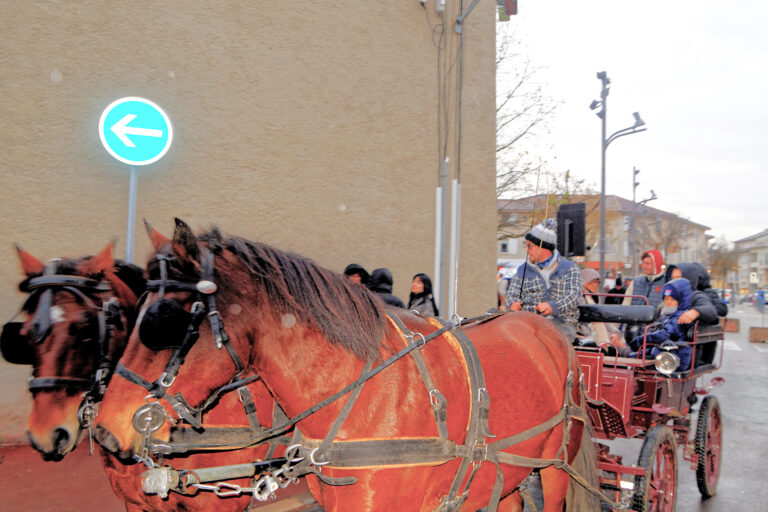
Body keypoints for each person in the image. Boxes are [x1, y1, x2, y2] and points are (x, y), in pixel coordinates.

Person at [505, 218, 582, 340]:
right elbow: (512, 295)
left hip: (562, 323)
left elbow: (574, 296)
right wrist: (512, 304)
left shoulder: (569, 268)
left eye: (529, 246)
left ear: (542, 247)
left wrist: (553, 306)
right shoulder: (522, 270)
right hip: (527, 322)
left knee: (546, 338)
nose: (526, 250)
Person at [629, 278, 695, 372]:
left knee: (635, 359)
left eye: (672, 299)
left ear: (681, 300)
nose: (668, 302)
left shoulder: (681, 317)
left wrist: (640, 340)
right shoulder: (668, 314)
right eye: (666, 299)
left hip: (674, 357)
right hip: (663, 352)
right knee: (631, 356)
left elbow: (664, 335)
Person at [578, 268, 630, 355]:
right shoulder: (582, 298)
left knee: (623, 350)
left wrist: (615, 333)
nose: (596, 285)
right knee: (619, 351)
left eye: (597, 282)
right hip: (589, 339)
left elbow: (602, 319)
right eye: (592, 282)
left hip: (600, 338)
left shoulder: (595, 297)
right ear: (584, 282)